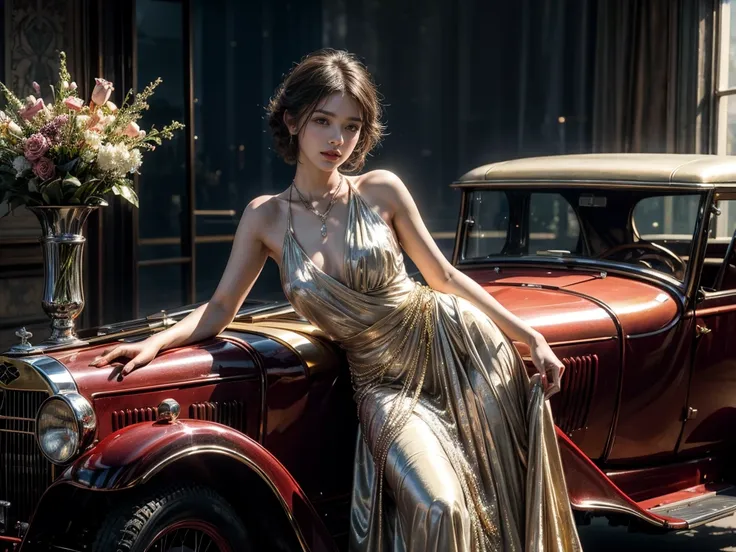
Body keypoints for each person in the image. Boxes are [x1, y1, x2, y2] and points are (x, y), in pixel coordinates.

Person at [90, 49, 582, 552]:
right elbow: (219, 309)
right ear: (291, 119)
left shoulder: (381, 190)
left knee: (498, 500)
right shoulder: (265, 218)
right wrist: (154, 342)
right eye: (323, 121)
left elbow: (446, 277)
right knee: (441, 505)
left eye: (350, 126)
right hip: (382, 382)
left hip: (459, 348)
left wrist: (530, 336)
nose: (337, 139)